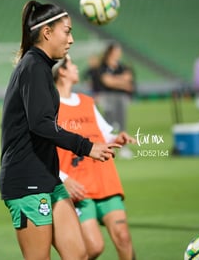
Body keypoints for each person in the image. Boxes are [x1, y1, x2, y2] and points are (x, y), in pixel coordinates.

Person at [0, 0, 121, 260]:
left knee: (79, 254)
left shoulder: (40, 66)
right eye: (67, 31)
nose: (72, 39)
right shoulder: (33, 67)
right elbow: (41, 124)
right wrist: (87, 146)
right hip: (26, 180)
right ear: (47, 33)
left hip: (48, 177)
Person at [53, 54, 137, 260]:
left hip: (105, 179)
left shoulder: (86, 101)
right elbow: (39, 151)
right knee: (93, 248)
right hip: (79, 188)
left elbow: (103, 133)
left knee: (123, 238)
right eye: (71, 64)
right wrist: (63, 179)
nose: (76, 67)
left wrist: (118, 138)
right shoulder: (50, 106)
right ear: (61, 71)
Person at [95, 42, 135, 159]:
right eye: (116, 51)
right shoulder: (103, 66)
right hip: (107, 97)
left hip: (120, 98)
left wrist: (115, 81)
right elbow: (107, 81)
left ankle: (124, 148)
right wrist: (121, 82)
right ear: (110, 52)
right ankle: (108, 146)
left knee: (122, 122)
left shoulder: (122, 66)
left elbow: (128, 79)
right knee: (108, 123)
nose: (119, 54)